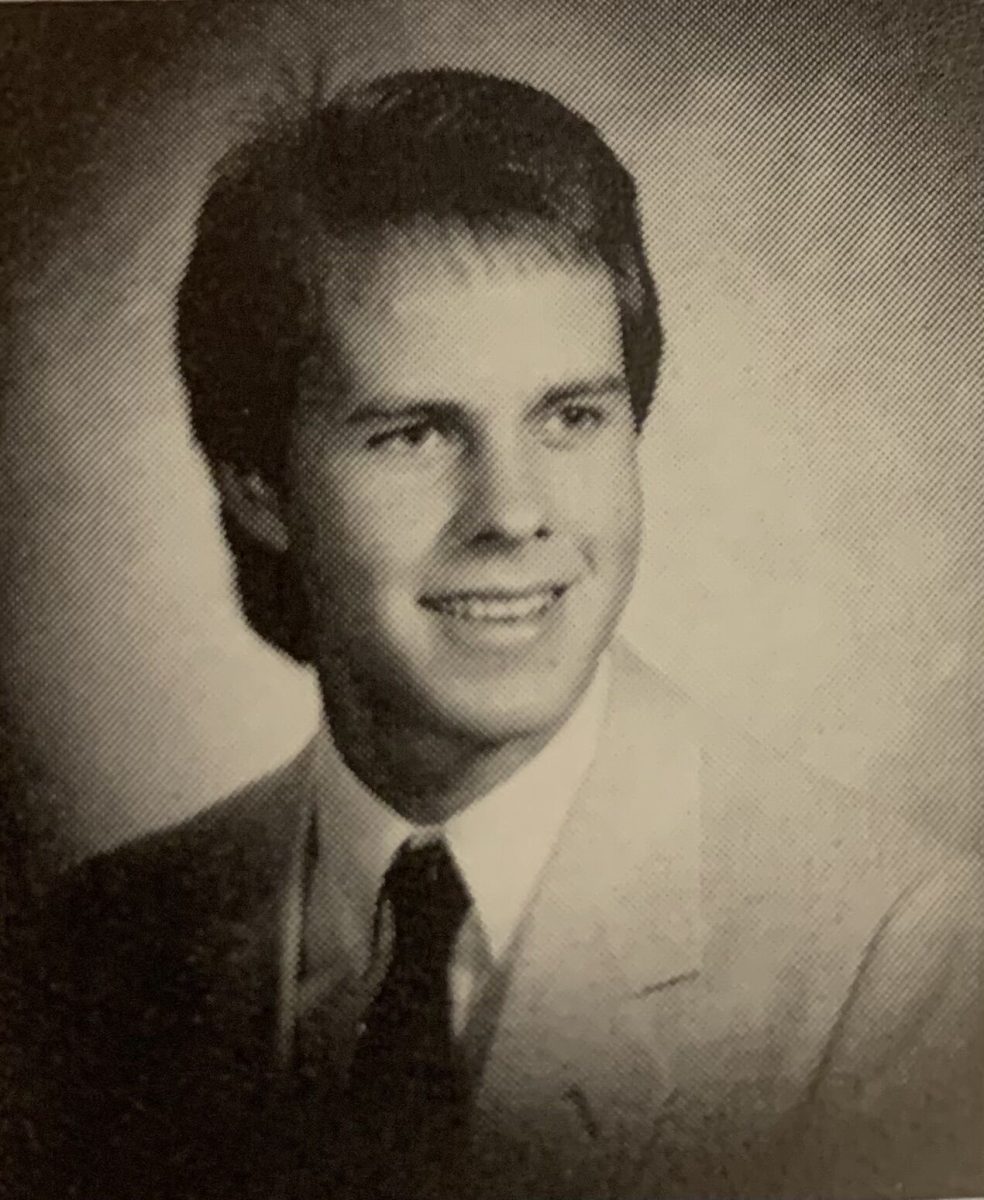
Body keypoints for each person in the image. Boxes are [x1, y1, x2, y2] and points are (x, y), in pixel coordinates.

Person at [16, 67, 982, 1200]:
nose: (514, 514)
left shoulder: (899, 966)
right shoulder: (97, 946)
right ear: (258, 486)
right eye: (417, 433)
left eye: (571, 418)